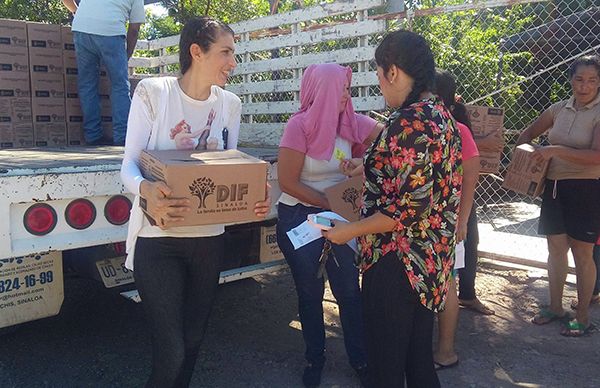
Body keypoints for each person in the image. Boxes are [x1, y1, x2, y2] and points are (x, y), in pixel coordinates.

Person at [120, 17, 271, 387]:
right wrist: (146, 190)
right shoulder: (155, 94)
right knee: (171, 349)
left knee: (193, 341)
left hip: (208, 241)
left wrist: (253, 197)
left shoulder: (229, 105)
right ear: (196, 52)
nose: (233, 63)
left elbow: (230, 170)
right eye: (226, 52)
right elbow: (128, 165)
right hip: (158, 241)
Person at [324, 30, 462, 388]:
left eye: (379, 76)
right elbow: (416, 172)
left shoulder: (408, 123)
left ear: (394, 72)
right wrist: (365, 166)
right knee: (417, 361)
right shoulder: (440, 116)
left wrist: (347, 232)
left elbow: (407, 211)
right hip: (430, 260)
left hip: (397, 262)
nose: (380, 87)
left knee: (384, 368)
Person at [276, 63, 383, 387]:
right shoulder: (299, 126)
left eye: (349, 89)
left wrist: (363, 165)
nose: (347, 96)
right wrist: (329, 204)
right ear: (323, 91)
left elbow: (391, 145)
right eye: (342, 89)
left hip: (341, 215)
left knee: (349, 291)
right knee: (310, 292)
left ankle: (360, 359)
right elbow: (287, 182)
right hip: (300, 215)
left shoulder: (353, 123)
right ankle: (315, 358)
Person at [518, 55, 600, 336]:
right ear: (570, 80)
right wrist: (525, 160)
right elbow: (526, 133)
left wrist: (554, 151)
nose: (584, 86)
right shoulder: (559, 109)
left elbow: (596, 156)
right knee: (555, 248)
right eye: (579, 79)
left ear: (599, 82)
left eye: (591, 80)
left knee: (582, 253)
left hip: (586, 188)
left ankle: (583, 316)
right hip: (554, 187)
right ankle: (555, 306)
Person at [432, 69, 480, 371]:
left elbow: (471, 178)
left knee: (445, 283)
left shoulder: (457, 129)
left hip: (447, 220)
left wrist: (462, 221)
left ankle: (446, 350)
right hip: (430, 219)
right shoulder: (436, 126)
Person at [62, 0, 145, 146]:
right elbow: (134, 30)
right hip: (110, 31)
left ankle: (93, 136)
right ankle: (122, 136)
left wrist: (76, 11)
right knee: (119, 85)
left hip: (81, 28)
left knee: (87, 84)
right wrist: (126, 57)